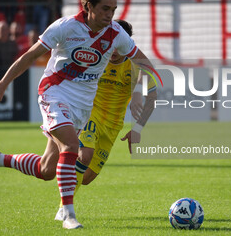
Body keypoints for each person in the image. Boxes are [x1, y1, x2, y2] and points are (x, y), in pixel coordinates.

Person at [0, 0, 155, 229]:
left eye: (113, 9)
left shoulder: (116, 34)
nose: (109, 15)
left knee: (47, 169)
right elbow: (29, 56)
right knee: (71, 146)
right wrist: (3, 84)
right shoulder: (65, 27)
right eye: (104, 8)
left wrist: (143, 85)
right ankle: (67, 213)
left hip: (82, 107)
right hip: (54, 92)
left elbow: (146, 65)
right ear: (88, 6)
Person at [54, 19, 157, 220]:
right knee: (85, 155)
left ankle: (64, 164)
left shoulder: (135, 65)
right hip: (90, 114)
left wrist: (137, 128)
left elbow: (151, 94)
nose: (115, 49)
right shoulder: (96, 58)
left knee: (87, 178)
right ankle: (64, 209)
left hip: (113, 125)